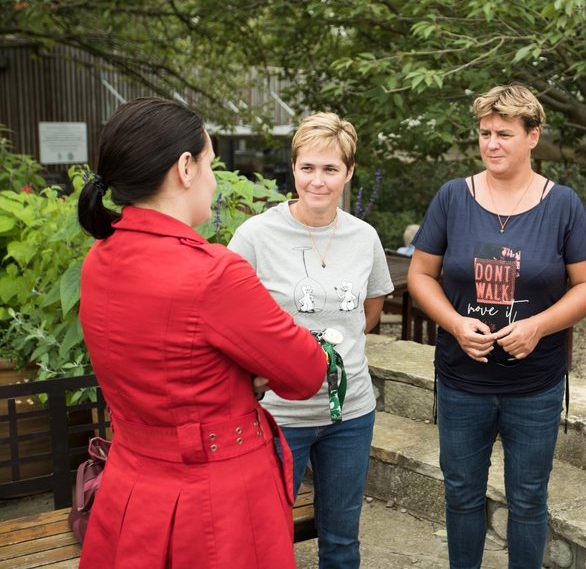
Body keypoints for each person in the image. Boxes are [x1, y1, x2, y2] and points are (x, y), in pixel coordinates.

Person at [76, 97, 328, 568]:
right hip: (216, 494)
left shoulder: (100, 259)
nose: (213, 179)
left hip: (131, 481)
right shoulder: (213, 273)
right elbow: (307, 372)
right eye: (211, 162)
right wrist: (251, 371)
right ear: (185, 167)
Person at [407, 84, 586, 569]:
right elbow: (420, 274)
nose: (492, 144)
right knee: (461, 494)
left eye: (505, 134)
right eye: (485, 133)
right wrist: (454, 323)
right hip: (461, 379)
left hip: (534, 384)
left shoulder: (562, 205)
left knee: (529, 499)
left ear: (533, 136)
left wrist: (538, 325)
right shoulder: (453, 197)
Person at [228, 111, 393, 569]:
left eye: (330, 169)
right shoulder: (255, 236)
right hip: (278, 417)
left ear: (349, 173)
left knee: (341, 538)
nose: (317, 181)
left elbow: (371, 307)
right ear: (294, 167)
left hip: (351, 414)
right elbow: (226, 313)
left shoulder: (365, 237)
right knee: (267, 537)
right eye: (308, 168)